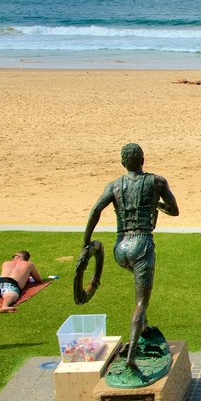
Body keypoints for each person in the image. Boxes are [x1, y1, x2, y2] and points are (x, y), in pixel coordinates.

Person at [83, 143, 179, 377]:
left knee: (140, 289)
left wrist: (86, 241)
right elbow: (174, 210)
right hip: (142, 245)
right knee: (141, 302)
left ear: (123, 163)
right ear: (143, 159)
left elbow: (96, 210)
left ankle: (144, 328)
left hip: (120, 248)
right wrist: (156, 204)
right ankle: (131, 358)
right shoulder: (157, 182)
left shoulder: (115, 185)